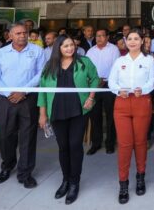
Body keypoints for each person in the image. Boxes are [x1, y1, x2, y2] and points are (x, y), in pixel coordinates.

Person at [38, 35, 99, 204]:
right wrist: (42, 114)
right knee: (63, 147)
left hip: (78, 110)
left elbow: (95, 78)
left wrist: (91, 97)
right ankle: (65, 180)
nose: (70, 48)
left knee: (75, 145)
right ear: (58, 48)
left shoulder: (84, 62)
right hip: (57, 111)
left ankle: (74, 182)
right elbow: (42, 91)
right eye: (65, 46)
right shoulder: (50, 66)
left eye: (71, 45)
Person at [0, 23, 45, 188]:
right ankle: (7, 166)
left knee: (28, 137)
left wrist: (23, 91)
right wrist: (9, 93)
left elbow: (42, 74)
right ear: (10, 36)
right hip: (6, 100)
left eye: (24, 33)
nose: (22, 36)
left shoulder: (37, 51)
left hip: (28, 99)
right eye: (18, 33)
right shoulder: (1, 54)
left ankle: (25, 173)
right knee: (5, 135)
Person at [108, 28, 154, 204]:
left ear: (142, 41)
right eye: (130, 39)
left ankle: (140, 176)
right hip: (121, 104)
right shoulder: (119, 61)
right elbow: (112, 81)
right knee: (124, 144)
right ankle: (123, 183)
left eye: (136, 38)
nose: (133, 42)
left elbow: (152, 81)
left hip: (141, 102)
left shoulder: (149, 60)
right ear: (125, 41)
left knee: (140, 142)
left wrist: (143, 89)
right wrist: (117, 89)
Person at [86, 28, 120, 155]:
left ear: (107, 37)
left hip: (108, 86)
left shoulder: (114, 49)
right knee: (95, 116)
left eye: (102, 35)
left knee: (111, 115)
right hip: (94, 87)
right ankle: (96, 143)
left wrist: (105, 79)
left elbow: (116, 68)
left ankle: (110, 143)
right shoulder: (91, 51)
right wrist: (95, 80)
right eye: (97, 36)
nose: (99, 38)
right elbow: (87, 68)